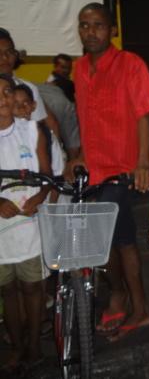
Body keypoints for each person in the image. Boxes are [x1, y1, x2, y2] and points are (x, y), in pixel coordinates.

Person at [69, 2, 149, 341]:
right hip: (91, 171)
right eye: (84, 25)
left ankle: (139, 309)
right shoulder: (78, 68)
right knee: (101, 245)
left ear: (112, 30)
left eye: (98, 25)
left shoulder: (130, 64)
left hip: (120, 169)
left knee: (122, 243)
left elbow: (144, 114)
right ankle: (118, 294)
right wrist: (75, 156)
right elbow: (83, 118)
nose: (90, 31)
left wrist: (143, 162)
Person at [0, 74, 51, 374]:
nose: (4, 99)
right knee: (8, 290)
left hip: (29, 225)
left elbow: (46, 175)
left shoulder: (32, 131)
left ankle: (34, 346)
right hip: (2, 231)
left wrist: (41, 195)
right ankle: (17, 347)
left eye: (7, 91)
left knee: (33, 288)